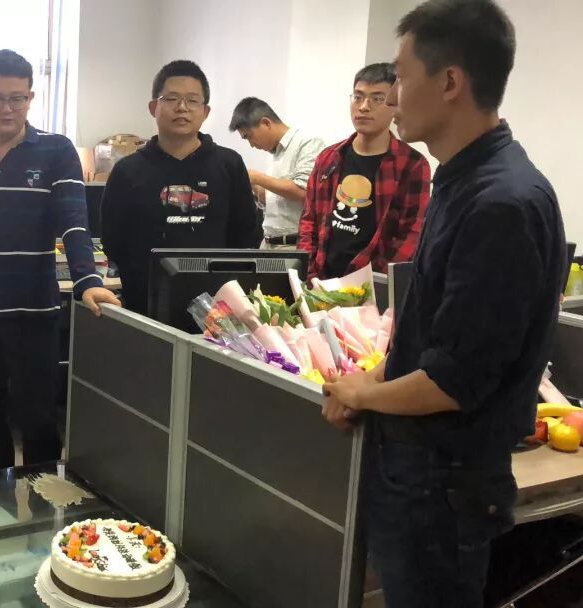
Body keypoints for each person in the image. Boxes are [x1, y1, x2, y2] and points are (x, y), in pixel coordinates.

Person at [320, 2, 566, 606]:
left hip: (444, 486)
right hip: (419, 474)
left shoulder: (501, 203)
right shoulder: (460, 181)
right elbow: (430, 333)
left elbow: (454, 380)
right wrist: (373, 379)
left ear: (450, 81)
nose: (391, 98)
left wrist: (363, 395)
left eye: (400, 78)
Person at [0, 50, 121, 472]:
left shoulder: (56, 151)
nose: (7, 108)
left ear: (31, 97)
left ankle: (41, 506)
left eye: (17, 98)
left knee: (38, 421)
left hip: (34, 314)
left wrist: (88, 280)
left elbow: (74, 223)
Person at [101, 60, 259, 314]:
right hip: (145, 307)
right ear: (154, 107)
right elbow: (113, 239)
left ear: (205, 111)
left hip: (218, 312)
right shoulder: (127, 171)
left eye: (192, 100)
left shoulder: (229, 165)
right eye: (171, 98)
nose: (182, 108)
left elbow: (246, 235)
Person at [298, 63, 431, 279]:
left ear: (394, 104)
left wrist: (368, 284)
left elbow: (410, 236)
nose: (364, 107)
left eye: (377, 99)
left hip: (371, 286)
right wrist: (310, 274)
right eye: (358, 97)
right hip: (320, 282)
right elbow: (309, 221)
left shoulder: (412, 165)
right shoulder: (329, 158)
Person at [228, 97, 324, 249]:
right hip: (268, 242)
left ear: (266, 123)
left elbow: (304, 191)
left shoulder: (308, 142)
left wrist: (256, 177)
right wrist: (251, 185)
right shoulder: (275, 153)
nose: (251, 144)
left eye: (249, 136)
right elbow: (278, 201)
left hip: (294, 244)